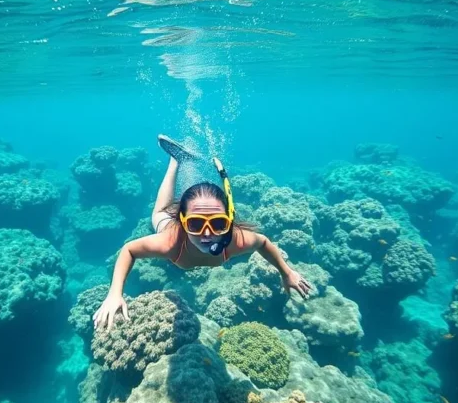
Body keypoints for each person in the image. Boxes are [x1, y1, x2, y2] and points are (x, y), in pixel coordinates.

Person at [92, 134, 313, 330]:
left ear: (228, 221)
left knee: (169, 210)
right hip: (168, 226)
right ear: (182, 221)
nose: (207, 233)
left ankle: (181, 160)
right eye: (196, 224)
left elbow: (263, 242)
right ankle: (175, 161)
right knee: (159, 213)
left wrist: (287, 272)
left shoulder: (234, 240)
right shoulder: (170, 241)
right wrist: (115, 293)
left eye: (218, 223)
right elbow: (129, 250)